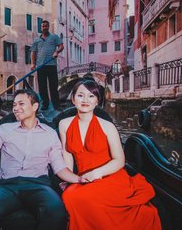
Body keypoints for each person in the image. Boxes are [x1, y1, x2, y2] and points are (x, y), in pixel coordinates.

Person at [0, 89, 85, 230]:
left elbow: (59, 167)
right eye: (14, 105)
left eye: (21, 104)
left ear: (35, 106)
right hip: (6, 185)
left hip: (38, 185)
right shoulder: (5, 129)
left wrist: (79, 179)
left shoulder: (50, 134)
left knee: (57, 212)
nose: (15, 108)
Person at [58, 80, 161, 230]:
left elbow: (119, 160)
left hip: (110, 176)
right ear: (73, 99)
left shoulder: (107, 126)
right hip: (83, 178)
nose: (85, 100)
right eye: (80, 95)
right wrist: (69, 179)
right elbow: (67, 153)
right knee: (69, 195)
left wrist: (97, 173)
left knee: (74, 197)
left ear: (97, 101)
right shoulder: (64, 124)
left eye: (91, 96)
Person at [31, 20, 64, 111]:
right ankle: (45, 104)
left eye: (46, 26)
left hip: (51, 65)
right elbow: (33, 52)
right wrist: (33, 63)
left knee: (53, 86)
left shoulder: (54, 37)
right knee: (42, 87)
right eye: (43, 26)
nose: (44, 27)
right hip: (40, 66)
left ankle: (56, 105)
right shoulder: (37, 40)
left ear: (48, 27)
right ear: (40, 28)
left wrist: (57, 51)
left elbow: (61, 46)